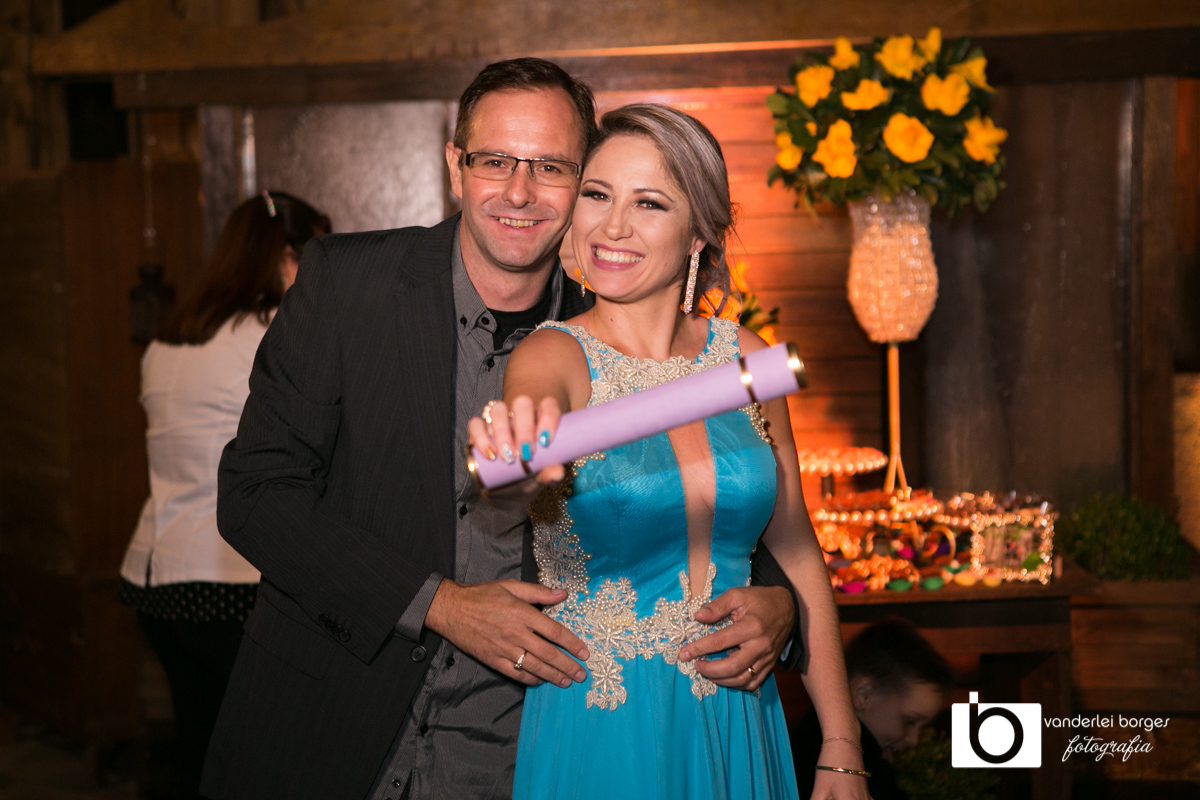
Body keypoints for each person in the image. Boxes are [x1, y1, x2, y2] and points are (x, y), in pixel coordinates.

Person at [205, 59, 801, 800]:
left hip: (516, 746)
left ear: (584, 183)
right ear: (456, 165)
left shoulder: (616, 319)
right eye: (495, 161)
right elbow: (256, 493)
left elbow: (712, 493)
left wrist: (782, 606)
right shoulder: (347, 284)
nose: (519, 192)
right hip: (328, 724)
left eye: (551, 167)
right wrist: (440, 604)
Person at [469, 104, 867, 800]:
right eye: (597, 195)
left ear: (698, 234)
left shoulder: (747, 357)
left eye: (648, 203)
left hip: (741, 713)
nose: (612, 227)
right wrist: (517, 466)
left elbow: (798, 548)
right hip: (607, 720)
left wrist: (841, 742)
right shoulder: (552, 355)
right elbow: (520, 456)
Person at [118, 190, 330, 799]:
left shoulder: (168, 340)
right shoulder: (276, 333)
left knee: (202, 749)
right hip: (231, 578)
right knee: (272, 760)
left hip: (156, 575)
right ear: (287, 257)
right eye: (319, 261)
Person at [792, 618, 952, 800]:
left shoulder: (808, 732)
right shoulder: (853, 759)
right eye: (909, 721)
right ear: (863, 695)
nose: (913, 740)